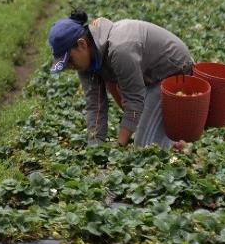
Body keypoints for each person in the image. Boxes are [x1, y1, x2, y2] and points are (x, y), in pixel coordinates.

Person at [48, 10, 193, 149]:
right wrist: (95, 147)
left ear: (82, 44)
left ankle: (167, 140)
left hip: (175, 73)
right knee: (116, 88)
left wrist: (120, 145)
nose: (69, 67)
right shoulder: (86, 63)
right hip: (147, 78)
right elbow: (95, 105)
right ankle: (164, 139)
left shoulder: (120, 50)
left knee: (144, 148)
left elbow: (135, 100)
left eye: (69, 60)